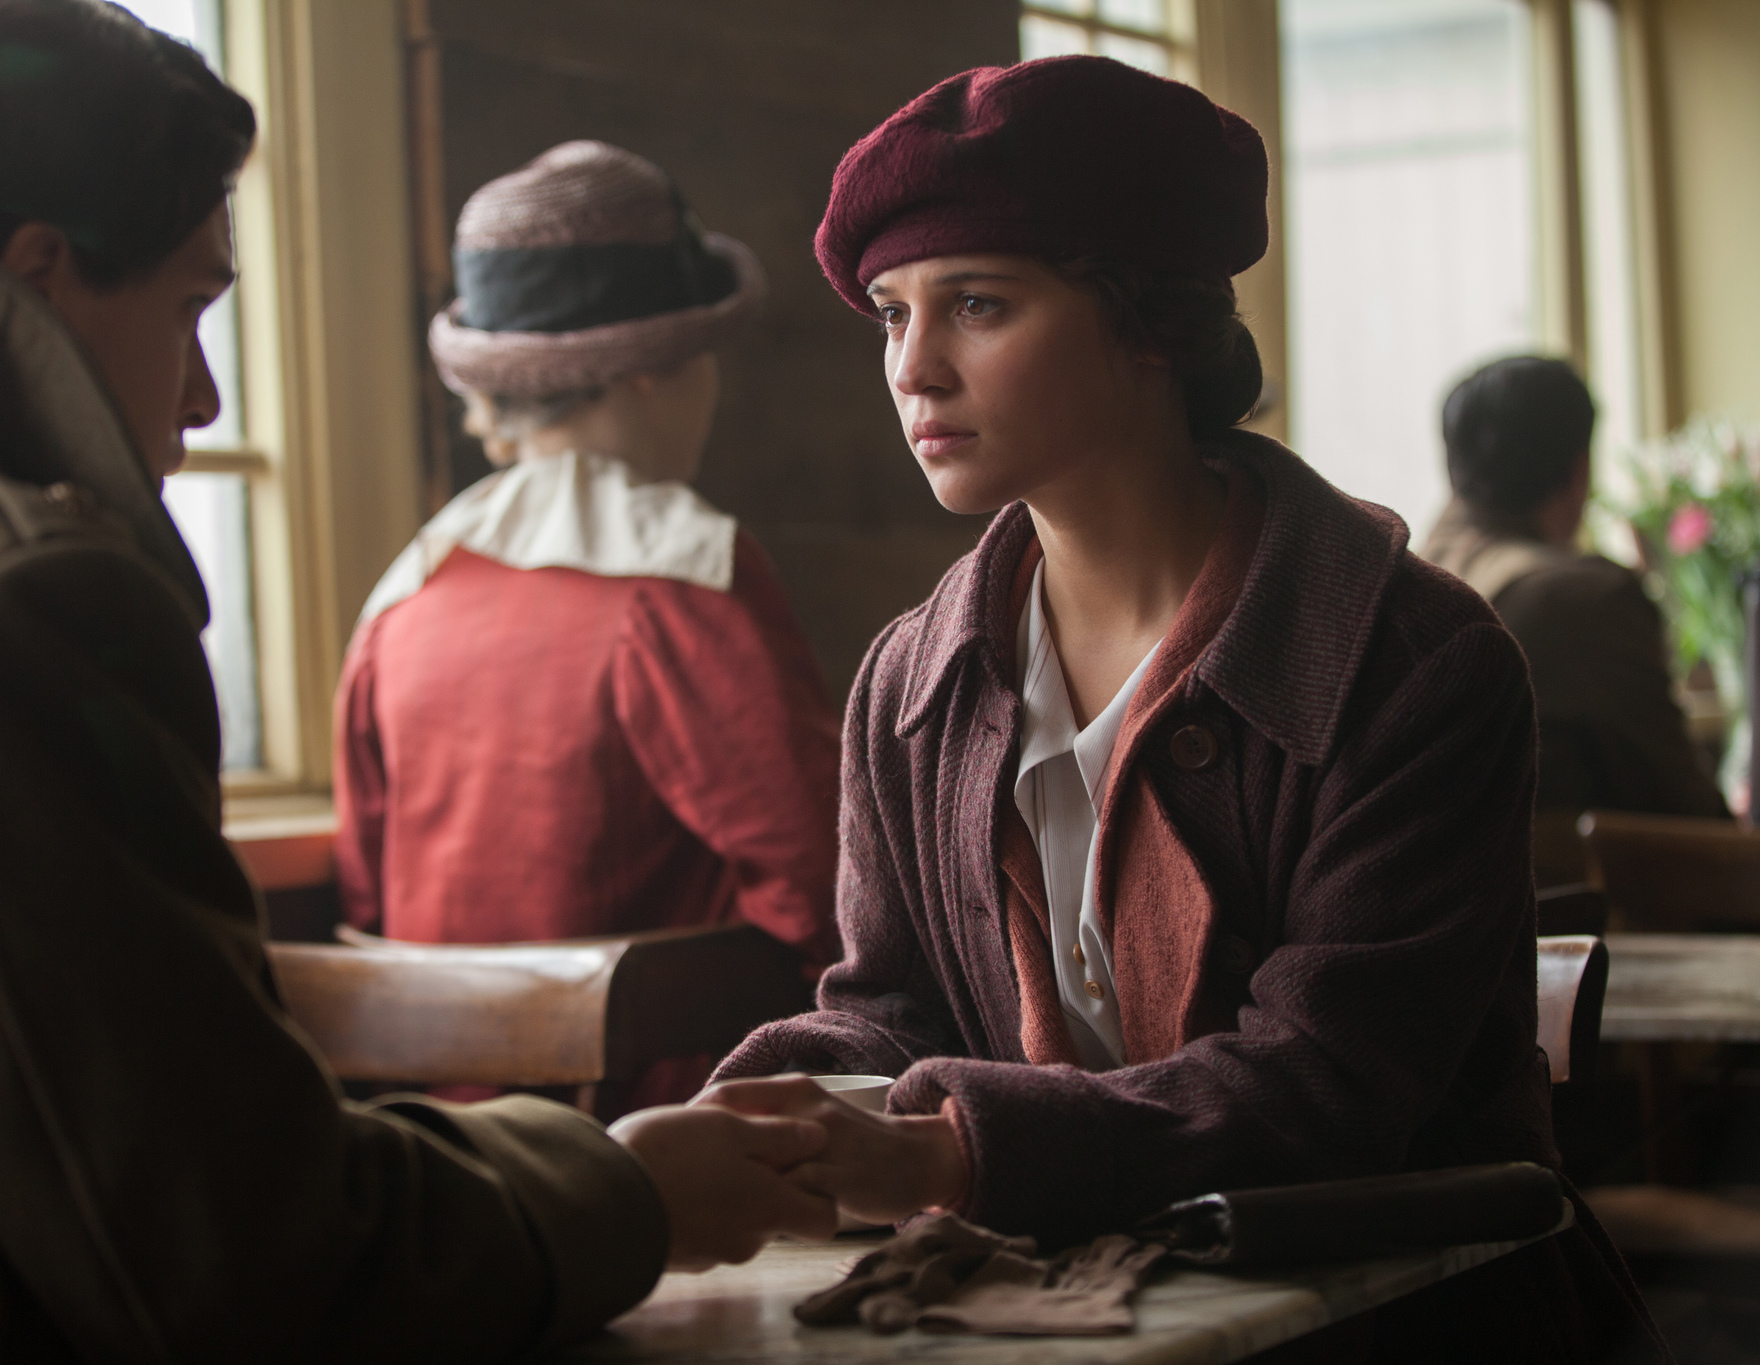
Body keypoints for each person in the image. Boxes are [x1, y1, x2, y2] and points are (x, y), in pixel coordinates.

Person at [0, 4, 838, 1360]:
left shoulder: (403, 599)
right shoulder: (14, 600)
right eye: (193, 304)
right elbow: (244, 1261)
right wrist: (632, 1183)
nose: (201, 396)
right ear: (41, 271)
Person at [691, 57, 1667, 1361]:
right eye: (889, 314)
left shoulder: (1414, 661)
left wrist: (941, 1154)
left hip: (1410, 1319)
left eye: (977, 304)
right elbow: (891, 1009)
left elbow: (1329, 1086)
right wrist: (763, 1108)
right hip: (1072, 1318)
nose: (913, 368)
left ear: (1151, 321)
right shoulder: (910, 681)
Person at [333, 141, 841, 1105]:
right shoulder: (681, 581)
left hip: (440, 1139)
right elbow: (823, 886)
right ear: (655, 366)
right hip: (653, 1136)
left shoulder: (405, 595)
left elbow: (365, 892)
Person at [1421, 355, 1726, 820]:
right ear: (1579, 470)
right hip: (1557, 890)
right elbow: (1688, 810)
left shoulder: (1401, 575)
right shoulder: (1584, 599)